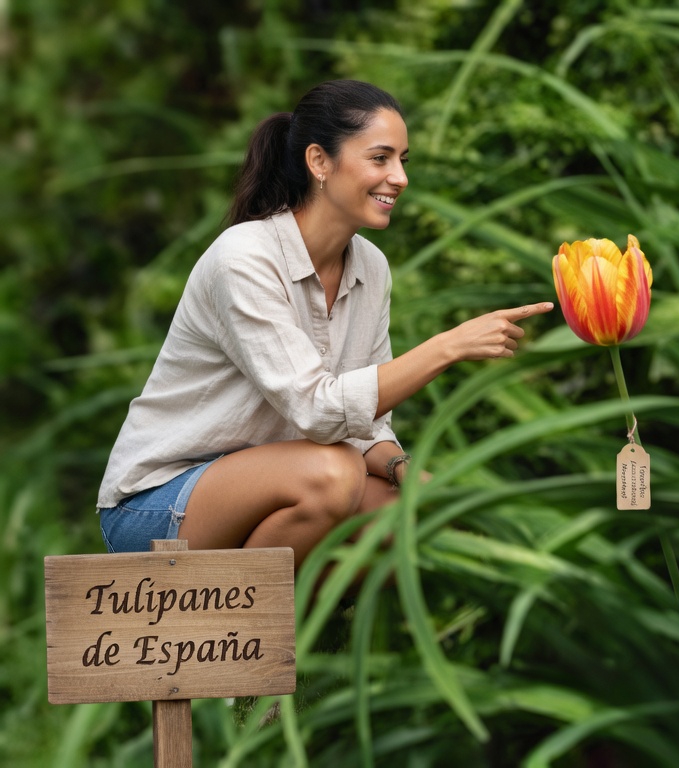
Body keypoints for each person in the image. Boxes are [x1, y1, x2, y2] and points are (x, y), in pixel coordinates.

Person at [96, 80, 554, 569]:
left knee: (407, 517)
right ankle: (240, 633)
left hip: (278, 489)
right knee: (333, 474)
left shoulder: (370, 267)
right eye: (380, 159)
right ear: (319, 162)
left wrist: (404, 469)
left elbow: (365, 424)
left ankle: (300, 636)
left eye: (403, 160)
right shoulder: (244, 258)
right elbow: (319, 411)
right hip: (155, 505)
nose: (399, 177)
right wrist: (447, 347)